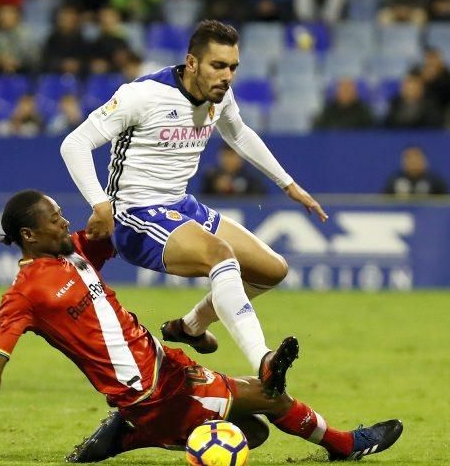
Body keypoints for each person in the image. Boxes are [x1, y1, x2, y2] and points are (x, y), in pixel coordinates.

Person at [0, 190, 403, 463]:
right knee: (268, 397)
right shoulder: (24, 294)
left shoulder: (73, 250)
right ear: (29, 235)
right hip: (151, 391)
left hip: (163, 365)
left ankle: (133, 434)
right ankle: (344, 445)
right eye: (54, 218)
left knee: (254, 433)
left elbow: (122, 232)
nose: (64, 221)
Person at [60, 20, 327, 396]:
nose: (227, 76)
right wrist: (100, 204)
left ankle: (191, 326)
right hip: (135, 215)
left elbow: (239, 133)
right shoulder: (143, 95)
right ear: (192, 62)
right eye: (218, 65)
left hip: (181, 206)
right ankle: (264, 360)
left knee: (272, 270)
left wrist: (288, 184)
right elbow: (75, 144)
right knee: (221, 255)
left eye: (233, 66)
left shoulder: (220, 95)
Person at [383, 145, 449, 197]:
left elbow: (447, 204)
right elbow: (383, 203)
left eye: (416, 157)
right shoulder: (394, 181)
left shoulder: (435, 181)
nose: (413, 161)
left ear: (424, 160)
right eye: (408, 157)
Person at [201, 144, 266, 196]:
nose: (229, 160)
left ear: (240, 157)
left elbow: (260, 198)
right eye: (226, 155)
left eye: (232, 155)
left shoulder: (251, 176)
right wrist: (215, 186)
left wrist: (234, 187)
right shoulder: (212, 176)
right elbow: (203, 198)